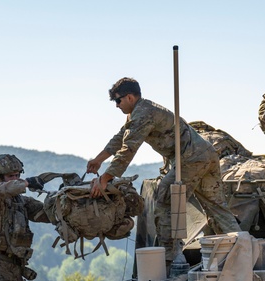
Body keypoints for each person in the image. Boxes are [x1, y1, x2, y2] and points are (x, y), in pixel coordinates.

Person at [87, 77, 240, 263]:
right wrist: (98, 160)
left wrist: (105, 179)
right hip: (204, 154)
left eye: (117, 100)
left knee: (166, 199)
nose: (116, 105)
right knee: (216, 207)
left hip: (189, 158)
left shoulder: (143, 114)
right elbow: (120, 138)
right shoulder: (138, 113)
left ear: (129, 97)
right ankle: (243, 251)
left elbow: (128, 149)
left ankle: (172, 259)